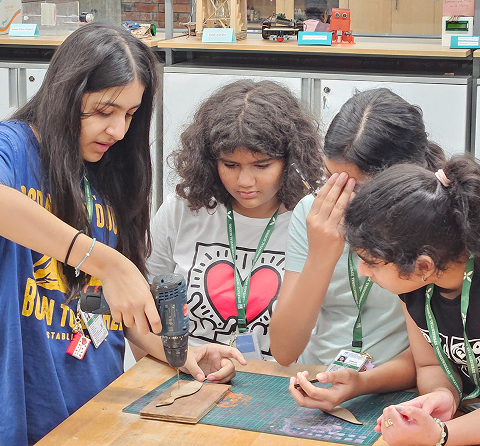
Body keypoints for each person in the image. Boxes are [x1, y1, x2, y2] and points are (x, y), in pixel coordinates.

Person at [0, 22, 244, 446]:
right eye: (103, 111)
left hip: (97, 406)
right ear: (65, 94)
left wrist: (178, 351)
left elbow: (116, 309)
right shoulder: (14, 148)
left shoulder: (109, 171)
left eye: (130, 115)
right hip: (27, 411)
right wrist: (105, 261)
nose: (117, 130)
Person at [269, 88, 446, 410]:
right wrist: (322, 254)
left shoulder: (425, 218)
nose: (340, 198)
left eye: (358, 187)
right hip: (316, 379)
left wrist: (361, 383)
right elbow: (284, 350)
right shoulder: (314, 212)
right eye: (329, 178)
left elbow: (433, 359)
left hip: (395, 390)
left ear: (403, 181)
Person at [146, 79, 323, 360]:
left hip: (278, 379)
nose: (244, 181)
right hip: (190, 371)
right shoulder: (182, 210)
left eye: (262, 165)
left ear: (291, 162)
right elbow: (144, 306)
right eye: (230, 165)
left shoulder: (311, 220)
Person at [344, 157, 480, 446]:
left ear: (423, 266)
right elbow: (430, 365)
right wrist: (442, 395)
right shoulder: (415, 289)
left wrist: (440, 435)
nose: (362, 270)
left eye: (371, 262)